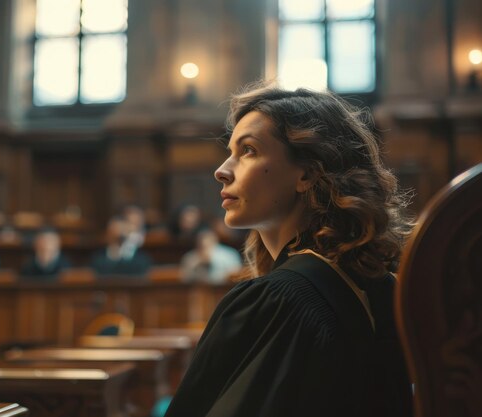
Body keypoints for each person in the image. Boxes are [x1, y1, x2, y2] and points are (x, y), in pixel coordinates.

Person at [164, 83, 415, 417]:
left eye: (248, 151)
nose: (222, 170)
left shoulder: (279, 299)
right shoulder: (382, 286)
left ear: (307, 174)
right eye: (230, 151)